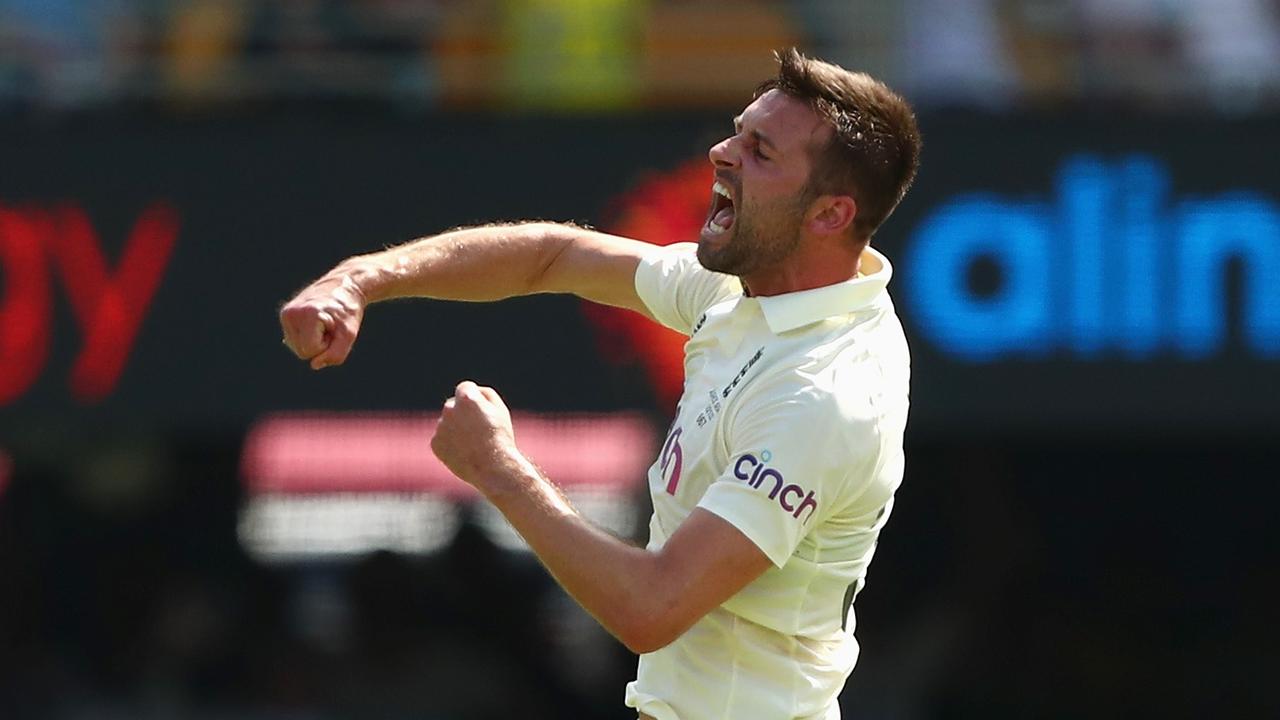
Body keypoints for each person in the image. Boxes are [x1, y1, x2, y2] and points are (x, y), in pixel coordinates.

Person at [280, 48, 921, 720]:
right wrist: (359, 279)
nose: (721, 153)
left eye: (760, 152)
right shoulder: (754, 284)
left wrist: (499, 470)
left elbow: (652, 609)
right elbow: (553, 255)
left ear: (829, 216)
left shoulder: (821, 395)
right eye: (738, 130)